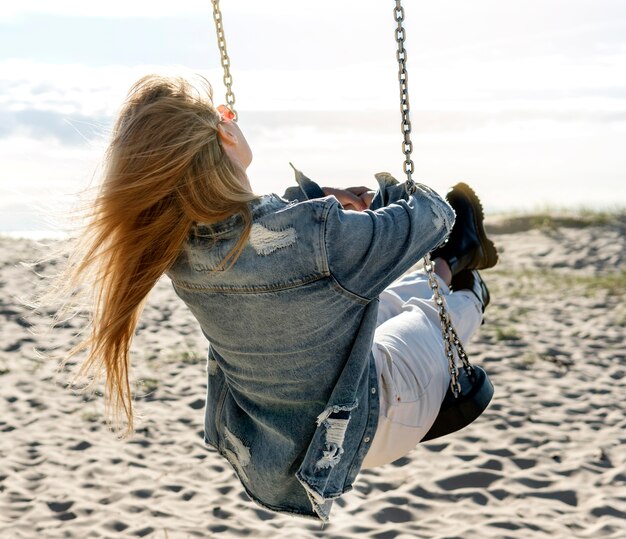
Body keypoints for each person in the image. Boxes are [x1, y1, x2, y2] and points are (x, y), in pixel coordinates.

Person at [56, 74, 498, 521]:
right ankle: (466, 283)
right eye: (224, 114)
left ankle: (453, 264)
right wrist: (374, 203)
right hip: (380, 420)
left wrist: (324, 202)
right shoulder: (320, 237)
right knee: (423, 311)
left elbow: (255, 229)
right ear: (225, 134)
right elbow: (435, 215)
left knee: (381, 304)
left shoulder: (178, 251)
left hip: (288, 456)